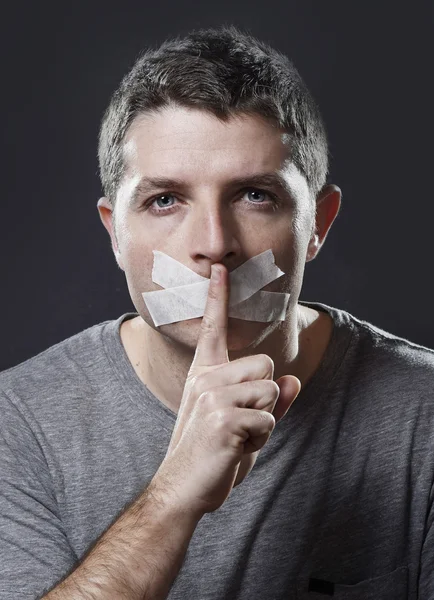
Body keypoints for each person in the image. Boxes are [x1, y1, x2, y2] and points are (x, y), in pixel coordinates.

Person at [1, 25, 433, 600]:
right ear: (114, 233)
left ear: (318, 225)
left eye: (255, 195)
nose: (213, 244)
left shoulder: (423, 412)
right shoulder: (17, 426)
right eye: (164, 200)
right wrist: (173, 497)